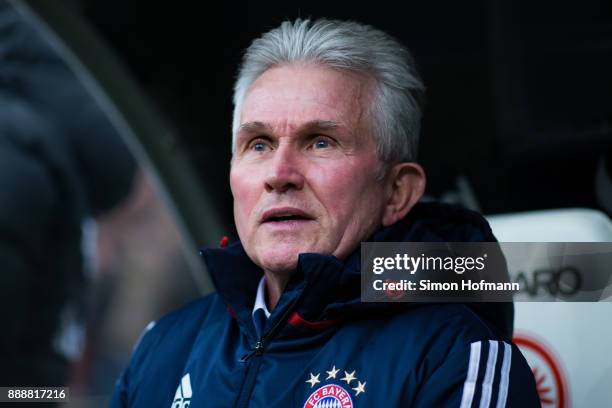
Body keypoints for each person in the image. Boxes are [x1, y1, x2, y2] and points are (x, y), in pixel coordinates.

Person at [111, 19, 540, 407]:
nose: (279, 175)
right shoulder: (163, 347)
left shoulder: (456, 359)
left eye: (320, 142)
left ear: (396, 192)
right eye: (258, 144)